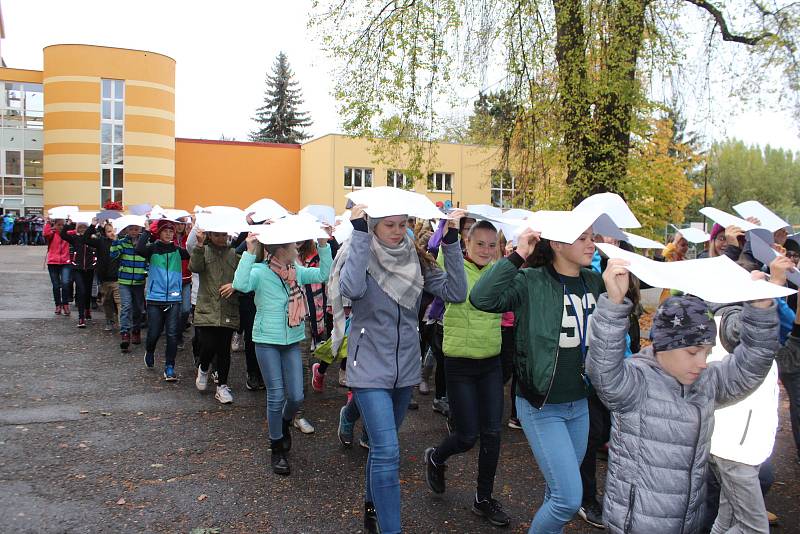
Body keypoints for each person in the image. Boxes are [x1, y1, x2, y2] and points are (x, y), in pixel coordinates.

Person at [585, 257, 782, 533]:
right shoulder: (635, 384)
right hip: (639, 524)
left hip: (688, 520)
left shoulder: (706, 382)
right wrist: (614, 305)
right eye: (692, 352)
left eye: (707, 352)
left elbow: (750, 369)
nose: (703, 362)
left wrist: (760, 312)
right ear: (663, 346)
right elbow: (602, 368)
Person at [337, 205, 467, 534]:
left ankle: (372, 506)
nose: (397, 231)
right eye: (389, 225)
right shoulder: (361, 254)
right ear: (375, 227)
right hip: (368, 366)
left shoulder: (417, 260)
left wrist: (451, 239)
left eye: (402, 224)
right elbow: (350, 290)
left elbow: (456, 292)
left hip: (405, 367)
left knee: (383, 446)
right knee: (388, 450)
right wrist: (361, 233)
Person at [470, 225, 604, 534]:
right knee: (569, 499)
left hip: (580, 403)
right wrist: (518, 255)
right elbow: (482, 297)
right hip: (542, 405)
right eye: (582, 237)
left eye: (592, 238)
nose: (591, 244)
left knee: (556, 492)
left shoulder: (594, 282)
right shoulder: (531, 281)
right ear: (557, 242)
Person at [423, 220, 510, 527]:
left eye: (492, 245)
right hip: (459, 363)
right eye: (480, 244)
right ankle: (436, 456)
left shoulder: (500, 272)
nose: (486, 250)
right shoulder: (454, 264)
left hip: (490, 362)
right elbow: (439, 246)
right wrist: (448, 225)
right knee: (466, 436)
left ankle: (483, 499)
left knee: (493, 434)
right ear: (466, 244)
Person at [232, 230, 332, 476]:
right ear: (280, 250)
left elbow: (324, 274)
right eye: (293, 246)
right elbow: (240, 285)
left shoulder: (295, 272)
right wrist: (248, 250)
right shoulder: (259, 272)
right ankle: (277, 446)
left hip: (292, 338)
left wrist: (322, 245)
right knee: (276, 396)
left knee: (296, 396)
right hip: (266, 340)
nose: (297, 249)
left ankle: (285, 422)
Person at [135, 220, 190, 381]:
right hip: (155, 298)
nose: (168, 234)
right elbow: (138, 249)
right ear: (159, 233)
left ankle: (169, 367)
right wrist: (146, 231)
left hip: (174, 298)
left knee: (172, 334)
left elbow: (193, 251)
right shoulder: (152, 249)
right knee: (154, 333)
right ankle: (150, 351)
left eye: (171, 231)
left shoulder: (178, 251)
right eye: (165, 231)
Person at [190, 229, 240, 404]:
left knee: (224, 349)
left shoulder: (234, 254)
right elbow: (194, 267)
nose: (221, 238)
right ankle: (203, 368)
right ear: (210, 235)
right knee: (208, 344)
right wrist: (198, 244)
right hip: (207, 307)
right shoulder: (203, 250)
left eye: (224, 235)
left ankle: (222, 386)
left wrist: (235, 284)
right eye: (217, 235)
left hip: (228, 307)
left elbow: (246, 271)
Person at [111, 222, 147, 353]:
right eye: (131, 229)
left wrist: (146, 271)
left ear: (140, 230)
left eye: (136, 229)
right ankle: (125, 333)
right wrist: (115, 241)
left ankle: (136, 329)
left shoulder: (144, 242)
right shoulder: (122, 242)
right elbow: (113, 255)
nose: (133, 231)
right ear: (126, 230)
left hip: (139, 280)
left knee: (138, 308)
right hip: (124, 280)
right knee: (126, 306)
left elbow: (147, 259)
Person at [60, 219, 98, 328]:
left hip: (90, 268)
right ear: (77, 229)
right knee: (81, 291)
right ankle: (81, 318)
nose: (82, 230)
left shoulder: (92, 239)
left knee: (87, 292)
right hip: (77, 268)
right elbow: (63, 235)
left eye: (84, 228)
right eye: (80, 228)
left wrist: (93, 226)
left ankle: (87, 309)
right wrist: (67, 225)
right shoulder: (75, 238)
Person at [87, 222, 121, 331]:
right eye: (109, 231)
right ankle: (109, 319)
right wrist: (92, 225)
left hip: (118, 277)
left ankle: (122, 325)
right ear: (105, 233)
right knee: (106, 301)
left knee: (119, 301)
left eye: (113, 231)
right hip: (105, 278)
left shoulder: (121, 243)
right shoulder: (101, 242)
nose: (112, 233)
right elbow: (85, 239)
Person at [44, 218, 73, 315]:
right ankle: (58, 305)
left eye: (62, 225)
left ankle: (65, 305)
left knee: (65, 283)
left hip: (65, 262)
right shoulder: (51, 233)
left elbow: (78, 231)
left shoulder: (67, 233)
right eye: (59, 225)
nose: (61, 227)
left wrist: (69, 224)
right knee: (56, 286)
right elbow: (45, 234)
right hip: (53, 262)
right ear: (55, 224)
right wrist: (48, 223)